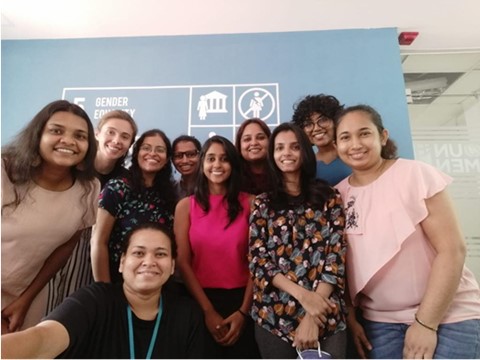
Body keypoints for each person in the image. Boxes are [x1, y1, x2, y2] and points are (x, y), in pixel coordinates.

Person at [334, 104, 480, 359]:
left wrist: (426, 324)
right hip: (380, 324)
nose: (355, 144)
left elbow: (453, 250)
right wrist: (350, 317)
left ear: (383, 136)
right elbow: (340, 263)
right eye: (345, 137)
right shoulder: (337, 196)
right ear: (336, 146)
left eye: (364, 133)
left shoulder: (415, 174)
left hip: (448, 317)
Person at [1, 222, 206, 359]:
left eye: (160, 254)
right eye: (139, 253)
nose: (149, 262)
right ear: (122, 263)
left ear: (171, 266)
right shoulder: (94, 300)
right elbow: (42, 339)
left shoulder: (187, 315)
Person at [248, 122, 348, 359]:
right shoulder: (263, 203)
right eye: (280, 148)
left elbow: (335, 257)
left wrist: (313, 314)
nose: (287, 154)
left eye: (294, 147)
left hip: (326, 314)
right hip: (273, 315)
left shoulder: (329, 197)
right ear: (272, 155)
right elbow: (259, 261)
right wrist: (305, 297)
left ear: (305, 151)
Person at [1, 100, 100, 333]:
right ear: (38, 135)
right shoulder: (5, 170)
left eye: (80, 136)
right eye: (56, 131)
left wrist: (26, 299)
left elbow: (64, 248)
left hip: (27, 295)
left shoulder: (90, 188)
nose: (68, 141)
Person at [174, 135, 260, 358]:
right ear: (202, 164)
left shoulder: (252, 203)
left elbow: (259, 260)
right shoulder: (185, 206)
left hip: (243, 301)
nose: (217, 165)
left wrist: (243, 312)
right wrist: (207, 311)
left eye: (224, 159)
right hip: (198, 300)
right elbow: (182, 261)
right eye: (211, 158)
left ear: (233, 164)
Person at [47, 109, 138, 311]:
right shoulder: (70, 166)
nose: (116, 140)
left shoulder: (125, 181)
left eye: (125, 137)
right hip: (49, 248)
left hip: (90, 260)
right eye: (111, 132)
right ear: (96, 133)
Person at [91, 129, 176, 284]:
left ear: (166, 159)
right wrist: (103, 290)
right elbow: (98, 241)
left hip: (157, 280)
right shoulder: (118, 187)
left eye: (160, 150)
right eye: (146, 148)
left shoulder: (170, 195)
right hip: (117, 279)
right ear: (136, 154)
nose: (152, 153)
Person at [292, 94, 351, 186]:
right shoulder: (305, 166)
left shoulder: (354, 154)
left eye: (323, 120)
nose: (316, 128)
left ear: (336, 121)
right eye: (308, 124)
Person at [235, 118, 272, 195]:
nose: (254, 143)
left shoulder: (283, 175)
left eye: (260, 138)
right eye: (247, 139)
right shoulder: (231, 178)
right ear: (239, 145)